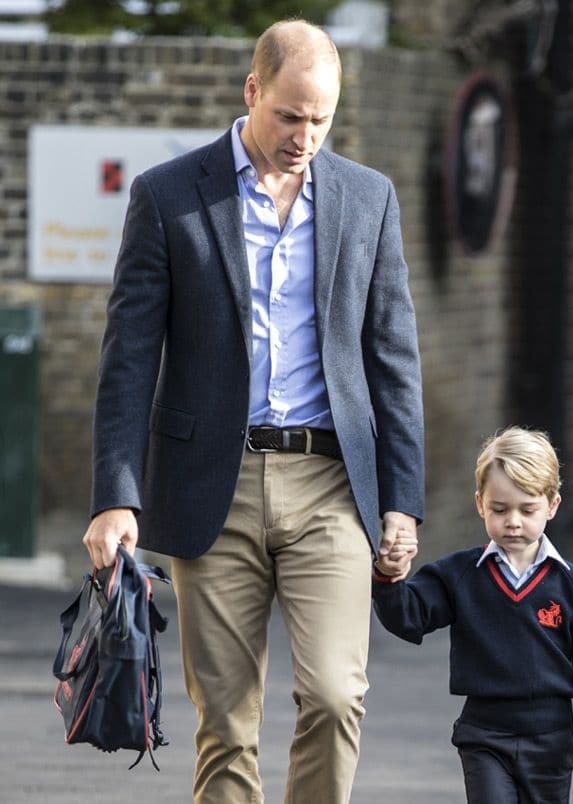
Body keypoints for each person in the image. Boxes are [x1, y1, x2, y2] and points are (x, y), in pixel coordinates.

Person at [82, 19, 423, 804]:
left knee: (337, 696)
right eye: (289, 115)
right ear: (252, 92)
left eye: (321, 119)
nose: (305, 136)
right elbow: (129, 357)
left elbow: (394, 360)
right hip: (212, 485)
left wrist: (403, 501)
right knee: (228, 724)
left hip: (331, 485)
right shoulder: (168, 196)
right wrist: (114, 495)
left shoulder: (368, 200)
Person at [373, 426, 573, 803]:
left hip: (550, 740)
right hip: (484, 737)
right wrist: (389, 577)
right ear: (480, 504)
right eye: (500, 509)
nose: (514, 521)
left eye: (528, 509)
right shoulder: (459, 575)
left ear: (553, 505)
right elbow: (409, 618)